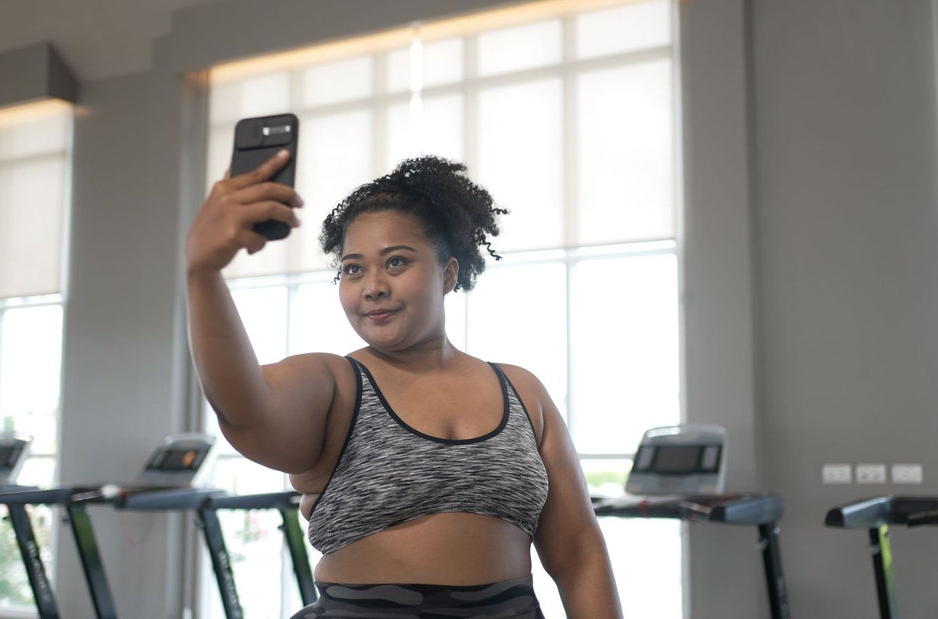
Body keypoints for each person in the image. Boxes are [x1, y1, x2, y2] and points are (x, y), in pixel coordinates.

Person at [185, 150, 623, 618]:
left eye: (395, 262)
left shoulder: (523, 391)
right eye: (353, 268)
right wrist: (203, 274)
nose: (372, 285)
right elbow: (244, 408)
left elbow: (579, 555)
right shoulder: (336, 384)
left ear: (448, 273)